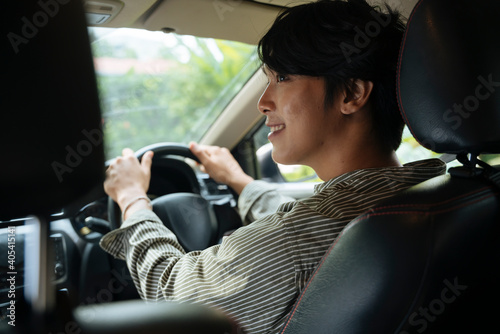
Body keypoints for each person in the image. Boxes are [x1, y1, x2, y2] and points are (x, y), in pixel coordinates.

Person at [100, 1, 446, 333]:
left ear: (351, 93)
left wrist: (132, 200)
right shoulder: (438, 194)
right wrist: (240, 182)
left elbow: (174, 296)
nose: (262, 103)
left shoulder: (294, 239)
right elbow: (310, 226)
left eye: (281, 78)